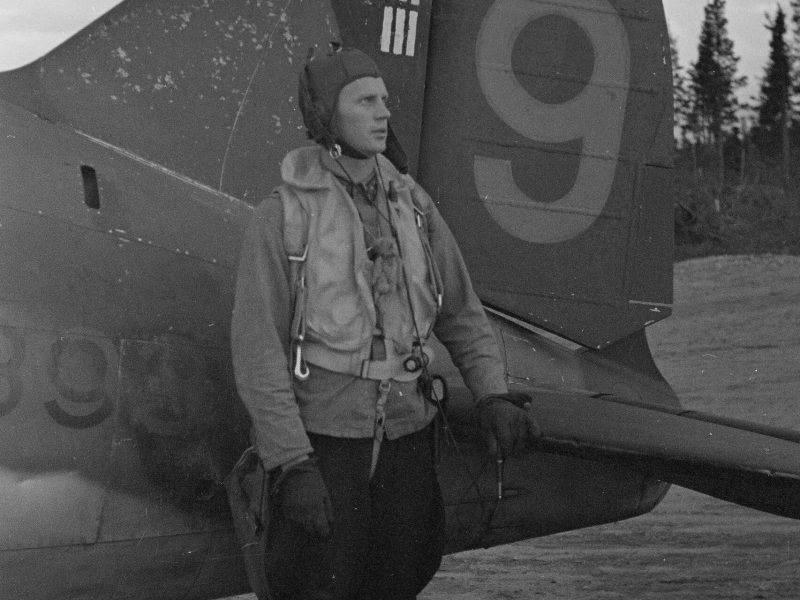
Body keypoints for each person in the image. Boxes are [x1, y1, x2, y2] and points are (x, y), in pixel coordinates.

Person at [231, 44, 539, 600]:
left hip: (409, 433)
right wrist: (291, 463)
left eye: (384, 100)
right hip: (327, 445)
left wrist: (492, 393)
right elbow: (258, 355)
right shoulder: (283, 217)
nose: (383, 113)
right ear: (326, 115)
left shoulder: (414, 206)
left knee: (404, 573)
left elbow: (461, 311)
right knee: (318, 584)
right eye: (365, 101)